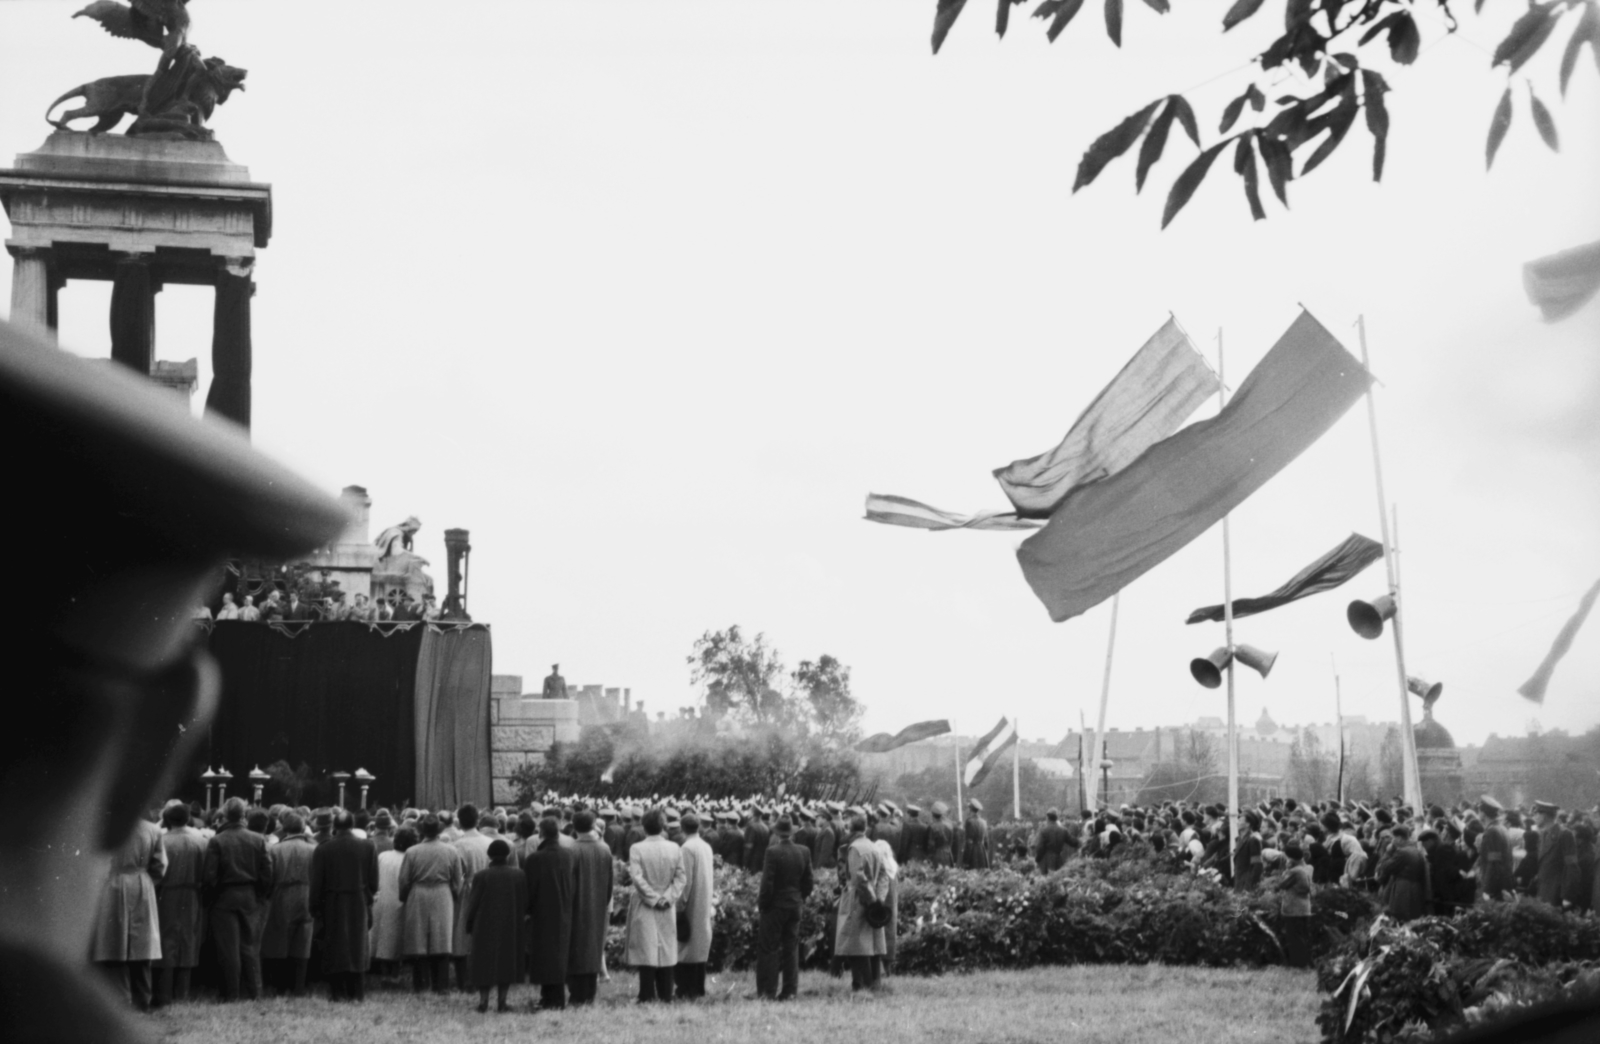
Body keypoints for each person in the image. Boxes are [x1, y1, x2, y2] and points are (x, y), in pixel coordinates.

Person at [91, 812, 166, 1012]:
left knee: (115, 945)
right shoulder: (153, 829)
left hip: (113, 885)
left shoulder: (108, 826)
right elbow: (160, 865)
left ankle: (122, 1000)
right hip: (142, 885)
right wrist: (147, 881)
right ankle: (143, 999)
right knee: (143, 946)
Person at [204, 796, 274, 1001]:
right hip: (250, 895)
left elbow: (209, 876)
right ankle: (254, 992)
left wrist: (211, 897)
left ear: (225, 814)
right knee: (250, 946)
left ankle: (231, 993)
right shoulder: (258, 839)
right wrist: (260, 895)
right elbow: (267, 872)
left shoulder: (217, 840)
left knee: (228, 948)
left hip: (224, 897)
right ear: (244, 815)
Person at [310, 810, 379, 1001]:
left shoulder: (324, 848)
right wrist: (366, 897)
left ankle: (337, 992)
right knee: (357, 944)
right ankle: (357, 992)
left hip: (332, 902)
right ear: (352, 825)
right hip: (358, 900)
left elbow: (317, 882)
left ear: (334, 827)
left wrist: (315, 907)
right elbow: (374, 882)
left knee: (335, 944)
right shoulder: (367, 846)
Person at [626, 808, 686, 1002]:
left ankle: (646, 994)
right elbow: (681, 878)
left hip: (646, 902)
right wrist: (667, 898)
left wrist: (654, 898)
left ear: (644, 826)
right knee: (666, 946)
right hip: (666, 902)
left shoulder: (637, 848)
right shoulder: (674, 847)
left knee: (647, 947)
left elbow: (637, 878)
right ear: (663, 826)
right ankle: (665, 993)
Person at [399, 814, 462, 994]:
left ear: (422, 831)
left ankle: (421, 984)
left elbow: (404, 880)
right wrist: (454, 895)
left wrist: (405, 897)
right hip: (442, 892)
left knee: (418, 937)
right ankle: (441, 985)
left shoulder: (412, 852)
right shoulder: (451, 851)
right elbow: (457, 880)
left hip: (418, 892)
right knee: (441, 937)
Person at [464, 838, 527, 1013]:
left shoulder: (481, 875)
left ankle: (483, 1002)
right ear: (507, 855)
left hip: (484, 923)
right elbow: (524, 901)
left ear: (489, 855)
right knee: (506, 961)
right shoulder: (519, 875)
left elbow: (473, 903)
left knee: (484, 961)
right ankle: (502, 1002)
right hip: (510, 923)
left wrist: (469, 924)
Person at [756, 816, 814, 1000]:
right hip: (795, 905)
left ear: (777, 833)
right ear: (792, 832)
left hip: (775, 906)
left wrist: (763, 904)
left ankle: (767, 991)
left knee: (769, 948)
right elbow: (809, 882)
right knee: (791, 948)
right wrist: (800, 898)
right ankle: (790, 991)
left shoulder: (772, 852)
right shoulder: (804, 851)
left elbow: (767, 884)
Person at [153, 803, 205, 1007]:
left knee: (166, 940)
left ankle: (164, 992)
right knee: (188, 939)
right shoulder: (201, 841)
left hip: (166, 894)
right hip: (192, 894)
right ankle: (182, 993)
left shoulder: (162, 841)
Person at [260, 811, 315, 996]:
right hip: (307, 894)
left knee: (280, 938)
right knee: (303, 940)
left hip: (282, 894)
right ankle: (299, 987)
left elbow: (269, 876)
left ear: (285, 828)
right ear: (303, 828)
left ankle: (281, 986)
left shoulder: (276, 849)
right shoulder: (313, 849)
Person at [525, 817, 577, 1010]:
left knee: (544, 955)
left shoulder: (535, 858)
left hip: (542, 912)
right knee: (558, 953)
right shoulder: (568, 855)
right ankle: (551, 997)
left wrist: (527, 910)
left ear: (541, 833)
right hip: (564, 910)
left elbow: (529, 889)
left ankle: (551, 999)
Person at [835, 814, 888, 992]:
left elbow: (858, 877)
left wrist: (871, 900)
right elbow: (884, 876)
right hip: (872, 900)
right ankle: (872, 984)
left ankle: (861, 985)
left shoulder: (854, 848)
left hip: (857, 899)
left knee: (855, 944)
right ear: (865, 828)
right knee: (871, 944)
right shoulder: (875, 847)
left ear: (851, 829)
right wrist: (879, 899)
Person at [567, 809, 614, 1006]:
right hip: (598, 904)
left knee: (577, 948)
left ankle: (577, 995)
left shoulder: (571, 850)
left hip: (576, 906)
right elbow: (610, 883)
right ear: (593, 825)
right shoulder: (604, 849)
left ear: (574, 826)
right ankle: (590, 993)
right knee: (594, 946)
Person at [451, 804, 493, 991]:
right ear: (478, 821)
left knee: (462, 934)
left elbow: (456, 875)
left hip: (467, 890)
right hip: (487, 890)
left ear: (459, 822)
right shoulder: (488, 842)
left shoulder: (457, 845)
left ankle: (465, 979)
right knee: (484, 932)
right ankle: (483, 977)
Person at [676, 813, 716, 999]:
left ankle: (686, 989)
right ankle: (698, 988)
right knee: (699, 945)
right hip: (703, 899)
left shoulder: (687, 848)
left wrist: (680, 905)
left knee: (687, 947)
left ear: (682, 828)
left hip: (691, 901)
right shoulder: (706, 846)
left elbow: (685, 881)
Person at [370, 825, 413, 972]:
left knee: (380, 933)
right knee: (394, 937)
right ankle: (393, 968)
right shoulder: (408, 859)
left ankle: (380, 965)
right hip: (398, 900)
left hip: (381, 898)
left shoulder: (383, 856)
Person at [1375, 824, 1431, 922]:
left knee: (1400, 918)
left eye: (1393, 838)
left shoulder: (1402, 852)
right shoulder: (1414, 849)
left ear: (1399, 839)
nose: (1392, 841)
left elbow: (1385, 867)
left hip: (1403, 890)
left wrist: (1388, 852)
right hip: (1414, 889)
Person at [1532, 801, 1581, 906]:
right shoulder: (1543, 834)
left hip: (1556, 892)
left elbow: (1572, 866)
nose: (1534, 817)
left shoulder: (1564, 834)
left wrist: (1568, 895)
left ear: (1544, 816)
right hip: (1543, 890)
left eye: (1536, 814)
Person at [1274, 843, 1314, 968]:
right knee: (1302, 935)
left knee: (1294, 937)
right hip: (1304, 907)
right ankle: (1305, 962)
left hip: (1293, 908)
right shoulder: (1306, 868)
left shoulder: (1294, 871)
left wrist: (1286, 870)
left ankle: (1298, 963)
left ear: (1291, 858)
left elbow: (1281, 884)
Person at [1476, 796, 1516, 901]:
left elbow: (1493, 862)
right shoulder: (1501, 828)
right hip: (1503, 886)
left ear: (1483, 813)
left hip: (1495, 890)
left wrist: (1487, 890)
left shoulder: (1491, 832)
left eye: (1479, 810)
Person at [1034, 808, 1076, 872]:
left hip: (1046, 859)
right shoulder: (1063, 830)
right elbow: (1073, 842)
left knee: (1046, 876)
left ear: (1047, 818)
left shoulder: (1043, 830)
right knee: (1058, 876)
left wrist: (1037, 859)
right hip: (1058, 858)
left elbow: (1040, 847)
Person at [962, 799, 990, 870]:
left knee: (972, 873)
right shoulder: (984, 822)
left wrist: (965, 859)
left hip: (973, 853)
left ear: (970, 809)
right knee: (982, 872)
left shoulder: (969, 821)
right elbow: (986, 840)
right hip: (982, 851)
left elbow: (969, 842)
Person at [744, 806, 771, 873]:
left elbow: (749, 847)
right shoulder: (765, 827)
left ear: (752, 814)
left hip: (752, 860)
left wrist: (744, 862)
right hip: (761, 859)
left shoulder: (751, 826)